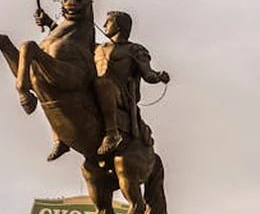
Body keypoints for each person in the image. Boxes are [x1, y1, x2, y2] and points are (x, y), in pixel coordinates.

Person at [38, 9, 171, 162]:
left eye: (109, 22)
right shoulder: (98, 48)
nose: (104, 25)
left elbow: (148, 73)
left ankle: (112, 132)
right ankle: (60, 136)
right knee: (62, 88)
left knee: (101, 82)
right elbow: (71, 39)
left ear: (119, 25)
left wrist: (159, 76)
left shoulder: (134, 50)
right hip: (95, 88)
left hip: (119, 94)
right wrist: (49, 22)